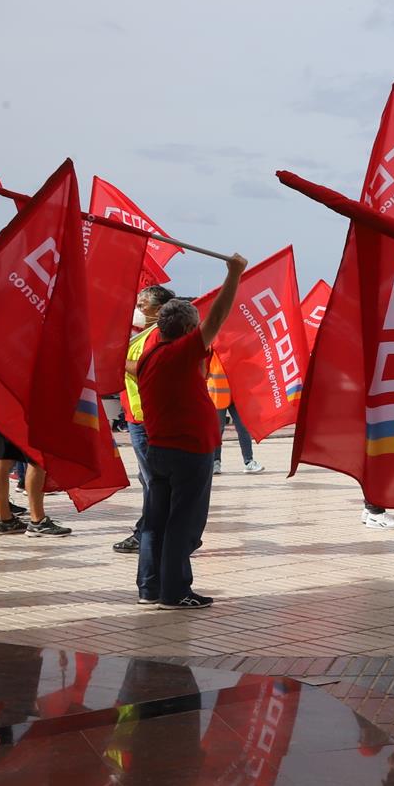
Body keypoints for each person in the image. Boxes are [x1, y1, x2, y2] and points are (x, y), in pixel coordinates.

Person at [136, 252, 245, 609]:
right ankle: (175, 591)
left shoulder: (149, 356)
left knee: (156, 522)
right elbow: (218, 317)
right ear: (186, 331)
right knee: (183, 523)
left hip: (161, 449)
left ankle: (150, 588)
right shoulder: (180, 353)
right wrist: (234, 274)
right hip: (188, 451)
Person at [116, 285, 174, 556]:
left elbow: (149, 370)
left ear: (159, 310)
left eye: (143, 306)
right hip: (137, 416)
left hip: (148, 418)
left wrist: (119, 361)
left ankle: (150, 533)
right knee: (149, 479)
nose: (137, 310)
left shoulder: (160, 335)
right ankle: (150, 530)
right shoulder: (140, 336)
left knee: (154, 480)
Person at [204, 353, 266, 474]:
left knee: (243, 427)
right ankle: (215, 462)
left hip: (236, 395)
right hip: (218, 395)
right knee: (217, 430)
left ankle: (249, 462)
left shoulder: (235, 342)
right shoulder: (212, 344)